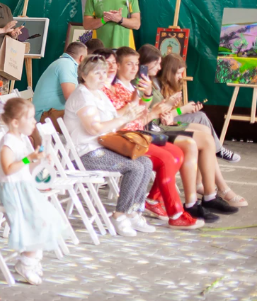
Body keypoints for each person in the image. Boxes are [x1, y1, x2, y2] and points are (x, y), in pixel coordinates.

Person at [102, 47, 202, 229]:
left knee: (178, 153)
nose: (134, 68)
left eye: (136, 64)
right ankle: (176, 213)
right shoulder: (113, 90)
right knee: (167, 158)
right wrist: (154, 110)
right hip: (125, 139)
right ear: (118, 66)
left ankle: (153, 200)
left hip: (138, 134)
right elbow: (127, 122)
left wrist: (152, 100)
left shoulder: (132, 87)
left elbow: (140, 116)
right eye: (129, 64)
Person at [137, 47, 242, 218]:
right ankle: (201, 198)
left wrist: (169, 108)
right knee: (200, 137)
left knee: (204, 132)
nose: (159, 67)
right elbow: (148, 115)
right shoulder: (145, 83)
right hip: (155, 129)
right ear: (145, 64)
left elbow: (157, 111)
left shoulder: (149, 82)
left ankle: (208, 195)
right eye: (156, 63)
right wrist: (173, 109)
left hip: (160, 125)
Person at [63, 54, 153, 237]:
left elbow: (115, 122)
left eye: (104, 72)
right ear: (84, 74)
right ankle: (120, 215)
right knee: (134, 167)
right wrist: (124, 118)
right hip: (84, 153)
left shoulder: (99, 93)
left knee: (145, 163)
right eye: (97, 73)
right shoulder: (82, 95)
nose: (102, 76)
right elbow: (93, 129)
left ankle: (134, 212)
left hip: (103, 147)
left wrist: (131, 112)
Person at [0, 98, 67, 285]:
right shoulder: (8, 141)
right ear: (16, 122)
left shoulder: (20, 138)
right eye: (30, 118)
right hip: (13, 190)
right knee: (33, 224)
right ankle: (26, 262)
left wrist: (40, 160)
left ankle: (32, 259)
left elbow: (25, 167)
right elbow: (9, 168)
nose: (34, 121)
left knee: (44, 220)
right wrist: (29, 158)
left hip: (25, 187)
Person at [158, 53, 241, 165]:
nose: (180, 76)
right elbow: (164, 116)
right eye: (177, 73)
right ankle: (218, 149)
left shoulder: (173, 85)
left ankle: (217, 150)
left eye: (181, 73)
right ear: (168, 71)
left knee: (200, 116)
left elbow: (176, 111)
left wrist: (189, 109)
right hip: (164, 125)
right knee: (201, 117)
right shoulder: (159, 88)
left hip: (173, 120)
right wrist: (183, 110)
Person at [32, 42, 87, 123]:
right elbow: (70, 97)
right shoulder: (67, 64)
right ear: (82, 58)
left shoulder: (63, 62)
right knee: (87, 121)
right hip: (44, 115)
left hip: (47, 113)